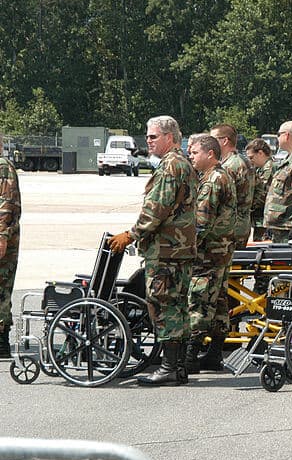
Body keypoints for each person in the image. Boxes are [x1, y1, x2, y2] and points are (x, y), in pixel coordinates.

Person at [108, 115, 197, 386]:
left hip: (166, 249)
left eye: (153, 136)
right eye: (147, 136)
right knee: (179, 305)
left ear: (170, 137)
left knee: (163, 304)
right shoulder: (182, 163)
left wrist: (132, 234)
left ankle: (169, 367)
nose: (148, 140)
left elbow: (156, 208)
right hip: (179, 247)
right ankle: (179, 366)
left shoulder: (171, 166)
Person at [184, 135, 237, 374]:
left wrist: (185, 250)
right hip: (222, 252)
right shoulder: (220, 176)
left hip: (208, 254)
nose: (191, 156)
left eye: (195, 152)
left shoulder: (213, 181)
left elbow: (201, 225)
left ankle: (189, 356)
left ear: (210, 154)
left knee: (199, 301)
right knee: (218, 303)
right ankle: (214, 354)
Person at [210, 124, 254, 249]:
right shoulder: (243, 160)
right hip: (242, 224)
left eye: (213, 139)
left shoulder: (230, 166)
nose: (210, 143)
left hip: (231, 228)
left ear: (224, 141)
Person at [0, 136, 21, 358]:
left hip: (3, 240)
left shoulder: (3, 167)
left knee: (1, 290)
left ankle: (1, 341)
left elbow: (7, 205)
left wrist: (2, 237)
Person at [245, 138, 274, 242]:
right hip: (260, 217)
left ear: (260, 153)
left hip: (264, 218)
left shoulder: (269, 169)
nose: (250, 161)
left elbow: (262, 193)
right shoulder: (259, 169)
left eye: (251, 157)